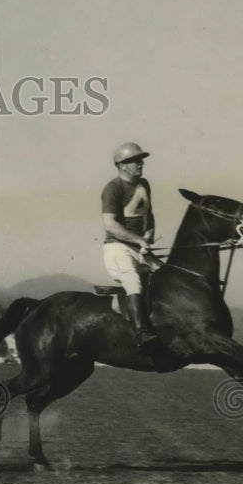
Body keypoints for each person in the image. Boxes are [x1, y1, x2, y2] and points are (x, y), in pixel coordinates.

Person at [101, 141, 161, 349]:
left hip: (140, 248)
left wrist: (149, 233)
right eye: (135, 160)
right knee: (133, 281)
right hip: (117, 248)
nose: (141, 163)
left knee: (166, 276)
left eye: (141, 160)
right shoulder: (113, 188)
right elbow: (110, 225)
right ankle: (141, 332)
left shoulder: (144, 185)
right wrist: (139, 240)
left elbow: (148, 215)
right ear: (122, 165)